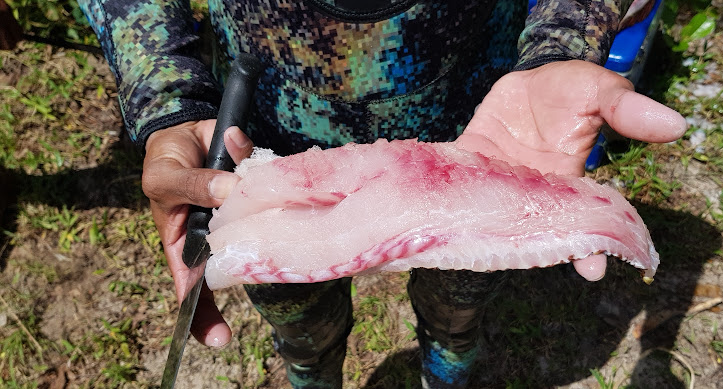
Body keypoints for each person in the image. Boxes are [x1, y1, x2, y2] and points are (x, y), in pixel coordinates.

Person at [78, 0, 686, 387]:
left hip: (486, 128)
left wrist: (565, 38)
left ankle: (446, 371)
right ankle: (311, 372)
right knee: (301, 329)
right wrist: (166, 97)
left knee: (457, 312)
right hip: (262, 142)